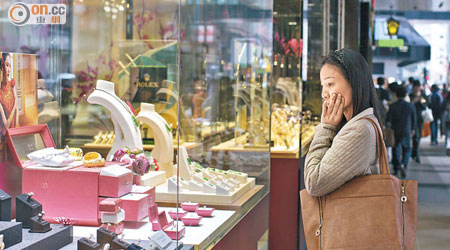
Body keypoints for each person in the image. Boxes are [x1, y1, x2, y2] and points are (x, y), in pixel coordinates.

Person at [304, 48, 384, 196]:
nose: (324, 94)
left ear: (354, 82)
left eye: (330, 84)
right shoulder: (358, 123)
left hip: (353, 218)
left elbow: (314, 182)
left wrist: (326, 128)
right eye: (323, 86)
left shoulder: (359, 130)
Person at [386, 86, 417, 178]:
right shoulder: (410, 105)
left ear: (396, 94)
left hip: (395, 130)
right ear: (405, 94)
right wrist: (413, 129)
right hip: (406, 130)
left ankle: (396, 167)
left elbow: (388, 120)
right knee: (407, 149)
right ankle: (404, 164)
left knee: (396, 148)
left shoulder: (392, 106)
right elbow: (414, 119)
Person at [409, 81, 427, 163]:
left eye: (418, 87)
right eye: (415, 87)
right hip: (411, 119)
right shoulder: (410, 96)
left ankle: (415, 154)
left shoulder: (422, 96)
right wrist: (413, 102)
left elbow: (425, 106)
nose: (416, 88)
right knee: (414, 138)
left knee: (418, 138)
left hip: (419, 120)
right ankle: (415, 154)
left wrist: (419, 101)